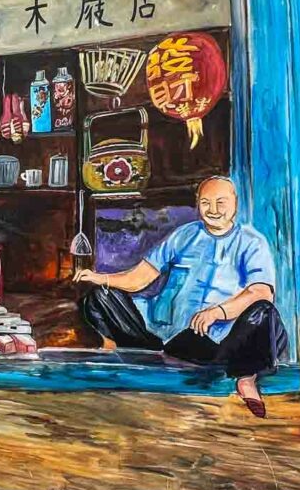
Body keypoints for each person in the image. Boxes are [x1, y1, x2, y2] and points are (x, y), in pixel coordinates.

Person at [75, 176, 288, 418]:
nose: (214, 210)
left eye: (221, 202)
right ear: (198, 204)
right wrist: (99, 278)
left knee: (264, 312)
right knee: (100, 297)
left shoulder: (252, 242)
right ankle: (114, 352)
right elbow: (141, 277)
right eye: (206, 203)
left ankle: (246, 378)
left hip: (220, 341)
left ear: (235, 204)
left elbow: (260, 292)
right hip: (172, 338)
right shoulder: (185, 235)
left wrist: (218, 312)